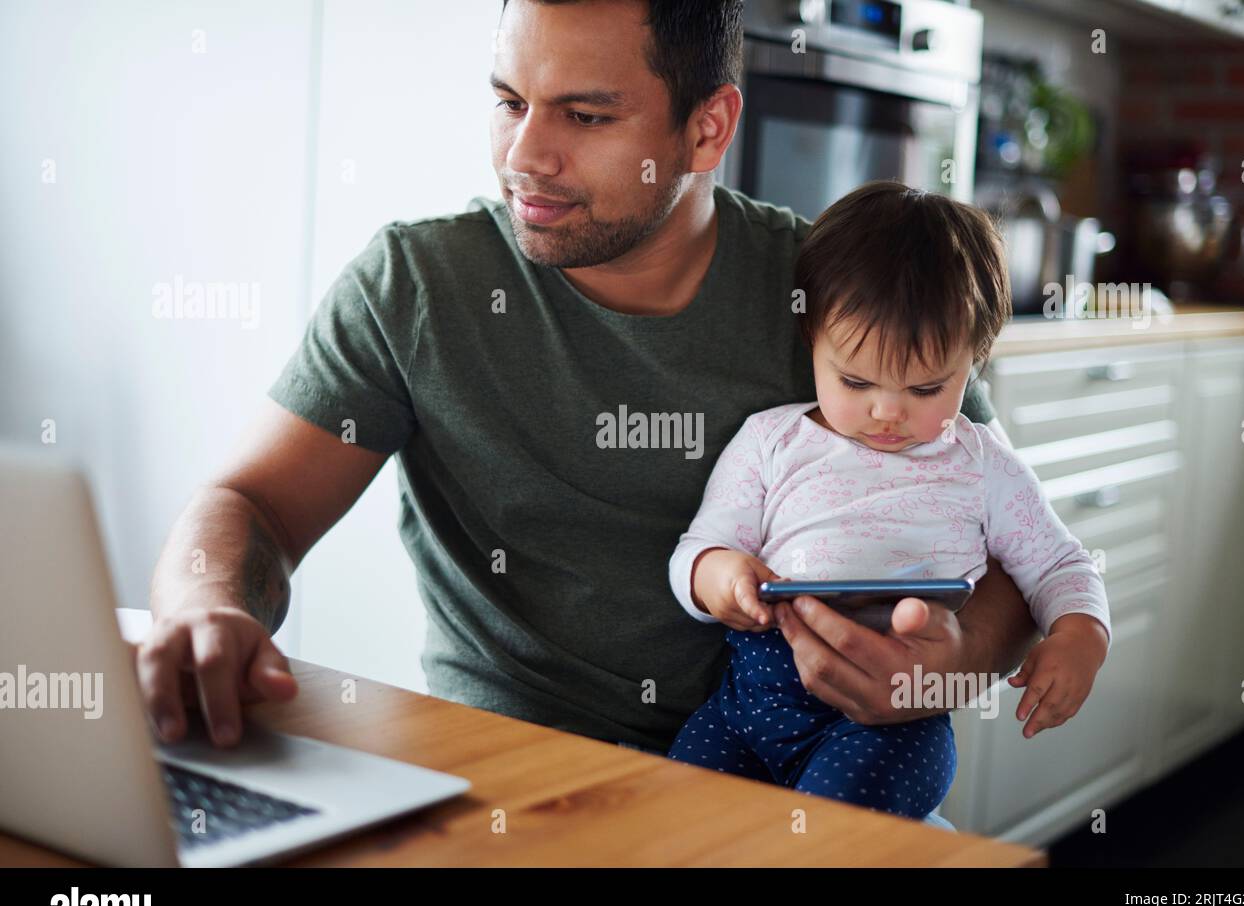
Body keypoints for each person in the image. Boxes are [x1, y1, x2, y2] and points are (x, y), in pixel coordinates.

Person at [135, 0, 1039, 756]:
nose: (526, 156)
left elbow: (1019, 563)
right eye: (508, 102)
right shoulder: (417, 285)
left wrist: (945, 665)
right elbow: (252, 505)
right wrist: (205, 607)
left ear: (707, 127)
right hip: (500, 781)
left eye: (585, 116)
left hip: (779, 778)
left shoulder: (836, 290)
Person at [664, 182, 1112, 818]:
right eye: (855, 380)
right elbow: (695, 551)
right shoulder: (769, 441)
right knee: (675, 816)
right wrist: (720, 577)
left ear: (973, 364)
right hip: (747, 710)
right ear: (811, 334)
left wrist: (1082, 635)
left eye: (927, 387)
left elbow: (1062, 565)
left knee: (829, 838)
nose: (886, 412)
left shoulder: (983, 464)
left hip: (891, 730)